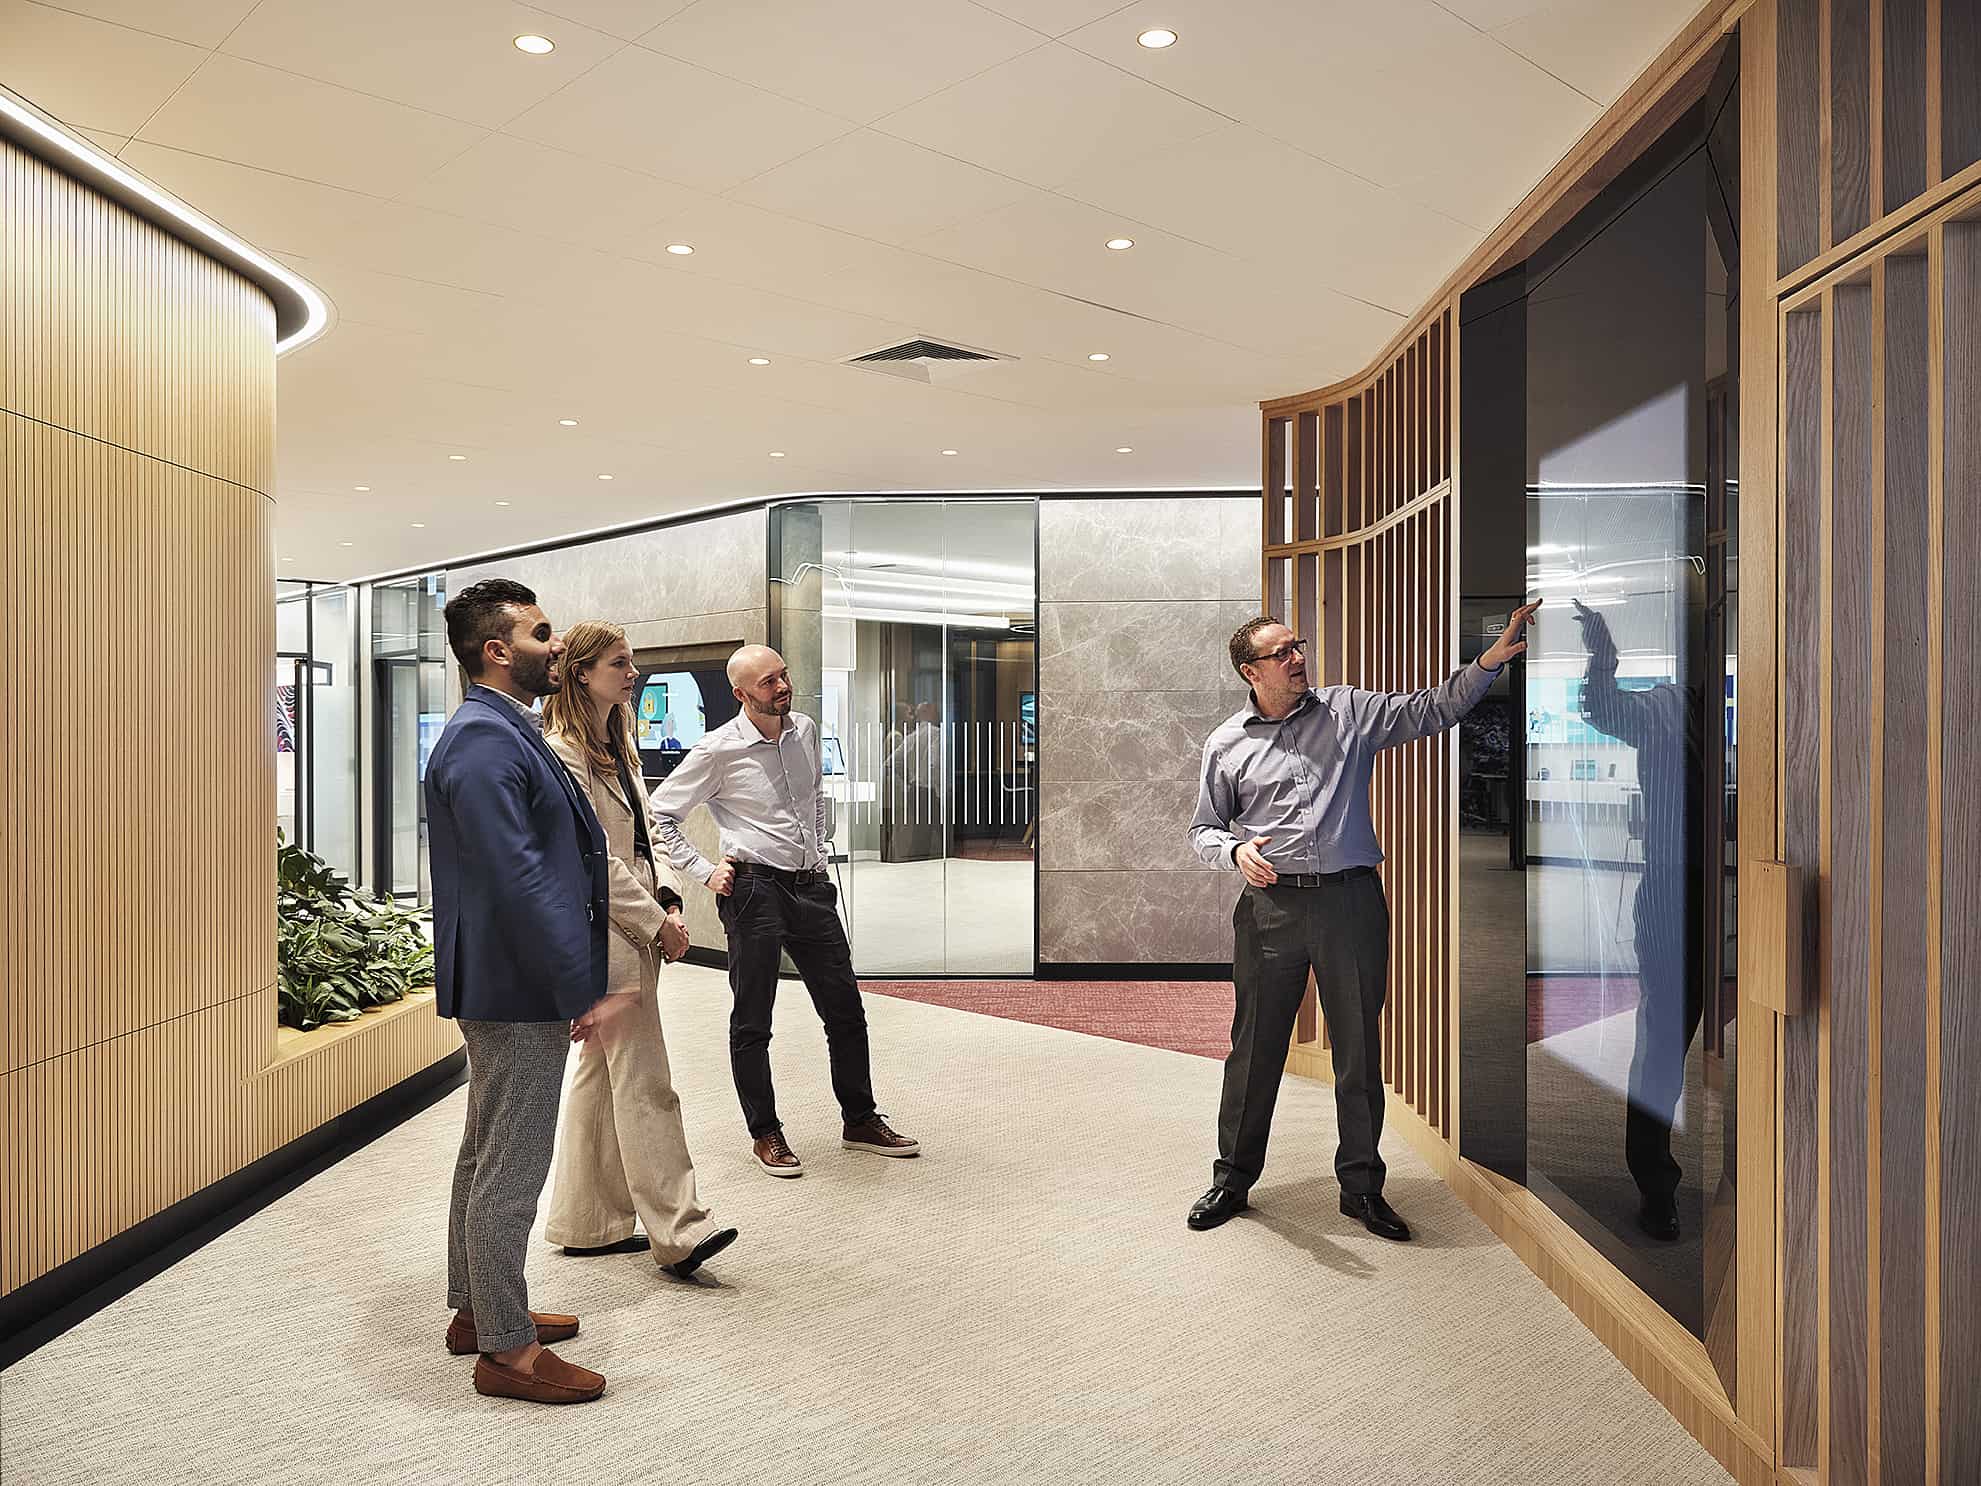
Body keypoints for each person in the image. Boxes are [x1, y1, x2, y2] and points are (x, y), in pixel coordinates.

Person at [1186, 605, 1539, 1241]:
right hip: (1270, 908)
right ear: (1251, 671)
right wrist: (1234, 851)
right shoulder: (1226, 743)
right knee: (1255, 1048)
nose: (1298, 658)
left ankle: (1362, 1188)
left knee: (1358, 1050)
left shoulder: (1346, 711)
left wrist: (1488, 663)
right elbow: (1204, 828)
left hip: (1350, 904)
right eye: (1282, 652)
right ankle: (1233, 1178)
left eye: (1298, 645)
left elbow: (1433, 709)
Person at [427, 578, 615, 1404]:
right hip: (516, 981)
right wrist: (578, 984)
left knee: (486, 1149)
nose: (558, 644)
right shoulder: (481, 738)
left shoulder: (503, 726)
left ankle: (481, 1311)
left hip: (508, 975)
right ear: (497, 650)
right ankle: (506, 1352)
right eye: (543, 634)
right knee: (512, 1164)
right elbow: (516, 875)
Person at [652, 644, 920, 1177]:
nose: (782, 687)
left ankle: (860, 1119)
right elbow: (660, 814)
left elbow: (813, 794)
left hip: (810, 887)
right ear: (740, 694)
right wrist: (704, 871)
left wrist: (816, 848)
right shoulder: (718, 749)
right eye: (768, 682)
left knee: (846, 1011)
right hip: (754, 890)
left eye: (783, 675)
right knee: (754, 1019)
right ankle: (765, 1132)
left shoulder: (805, 730)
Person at [539, 621, 740, 1280]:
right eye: (619, 664)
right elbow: (591, 859)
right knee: (646, 1081)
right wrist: (657, 923)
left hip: (635, 923)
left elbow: (645, 836)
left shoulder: (615, 743)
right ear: (582, 673)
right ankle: (680, 1229)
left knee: (603, 1075)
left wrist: (670, 898)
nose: (633, 674)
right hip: (604, 933)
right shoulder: (564, 753)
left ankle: (586, 1222)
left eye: (631, 663)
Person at [1571, 598, 1705, 1242]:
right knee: (1662, 1047)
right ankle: (1656, 1184)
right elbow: (1600, 708)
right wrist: (1603, 654)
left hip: (1747, 896)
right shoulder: (1663, 708)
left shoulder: (1771, 705)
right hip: (1672, 897)